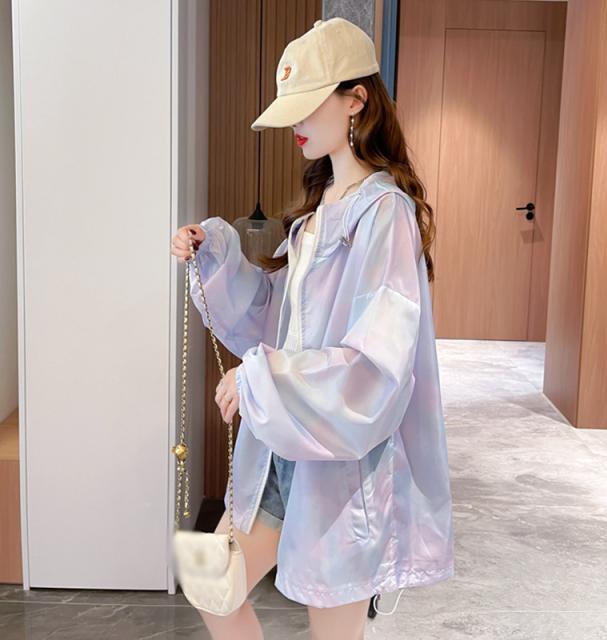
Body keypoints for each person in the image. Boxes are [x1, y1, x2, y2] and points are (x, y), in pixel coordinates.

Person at [170, 16, 454, 640]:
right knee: (209, 584)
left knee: (333, 631)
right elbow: (278, 318)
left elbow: (375, 366)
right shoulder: (318, 213)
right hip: (280, 449)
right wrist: (214, 253)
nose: (295, 123)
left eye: (307, 104)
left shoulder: (384, 214)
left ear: (356, 100)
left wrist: (259, 380)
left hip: (341, 462)